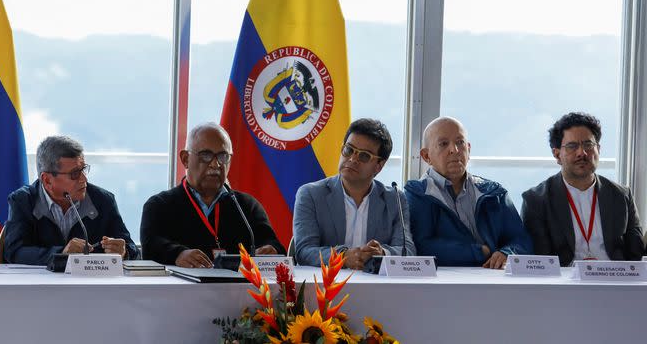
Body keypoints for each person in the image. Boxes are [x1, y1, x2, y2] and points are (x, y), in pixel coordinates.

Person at [140, 122, 285, 267]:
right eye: (206, 155)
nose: (215, 164)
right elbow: (150, 246)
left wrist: (272, 251)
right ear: (185, 159)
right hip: (183, 288)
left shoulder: (245, 206)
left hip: (238, 289)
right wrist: (178, 254)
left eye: (223, 156)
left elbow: (274, 245)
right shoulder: (159, 205)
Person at [405, 117, 532, 268]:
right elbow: (421, 247)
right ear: (426, 156)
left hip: (495, 280)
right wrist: (479, 252)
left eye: (460, 142)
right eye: (443, 144)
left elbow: (521, 240)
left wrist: (507, 253)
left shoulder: (494, 192)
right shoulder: (417, 194)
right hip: (443, 283)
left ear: (469, 149)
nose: (455, 150)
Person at [521, 112, 645, 265]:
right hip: (564, 283)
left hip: (614, 281)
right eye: (572, 146)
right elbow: (540, 262)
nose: (582, 153)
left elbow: (636, 255)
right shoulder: (536, 200)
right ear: (557, 154)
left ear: (598, 149)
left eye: (588, 145)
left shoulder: (621, 195)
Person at [293, 118, 415, 270]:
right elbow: (304, 252)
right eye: (348, 150)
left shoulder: (394, 198)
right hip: (327, 287)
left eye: (364, 156)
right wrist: (342, 257)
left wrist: (383, 253)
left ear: (379, 166)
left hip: (376, 287)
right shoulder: (310, 194)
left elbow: (407, 251)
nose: (352, 159)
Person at [4, 135, 138, 265]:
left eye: (83, 169)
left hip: (90, 285)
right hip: (40, 286)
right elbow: (14, 252)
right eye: (75, 174)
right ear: (47, 180)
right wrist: (61, 253)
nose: (84, 179)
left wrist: (124, 252)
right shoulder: (22, 200)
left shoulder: (103, 200)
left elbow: (134, 250)